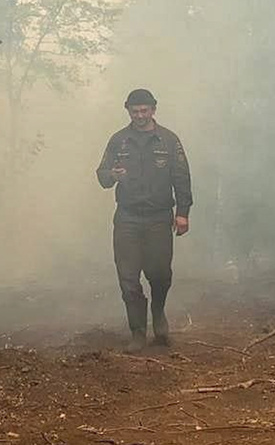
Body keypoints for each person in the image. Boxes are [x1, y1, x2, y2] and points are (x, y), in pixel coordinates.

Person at [96, 88, 192, 352]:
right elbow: (102, 174)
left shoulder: (169, 140)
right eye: (134, 111)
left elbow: (181, 177)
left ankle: (158, 313)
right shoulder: (119, 140)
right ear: (127, 110)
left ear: (153, 109)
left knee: (160, 274)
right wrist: (112, 175)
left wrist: (183, 212)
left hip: (159, 218)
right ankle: (137, 331)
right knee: (128, 278)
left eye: (144, 110)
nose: (139, 115)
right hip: (127, 217)